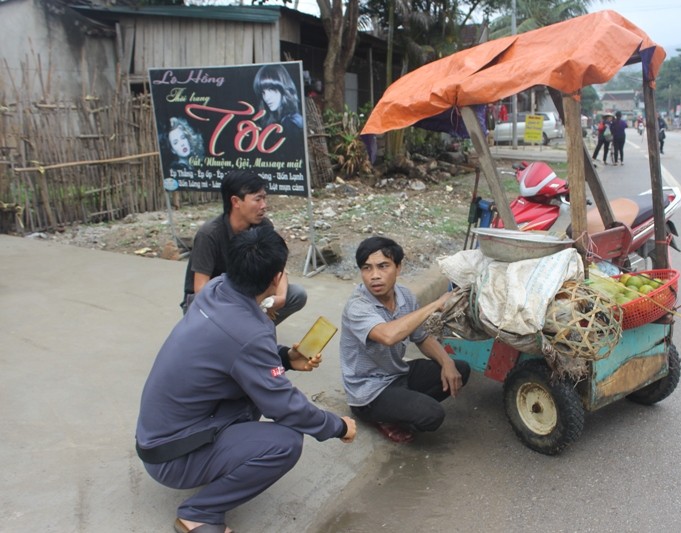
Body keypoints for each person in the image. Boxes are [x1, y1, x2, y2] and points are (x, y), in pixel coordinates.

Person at [136, 225, 357, 533]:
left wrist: (284, 359)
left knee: (254, 395)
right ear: (276, 278)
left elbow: (233, 355)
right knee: (286, 442)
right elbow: (286, 407)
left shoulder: (216, 289)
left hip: (156, 434)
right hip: (169, 456)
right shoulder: (248, 331)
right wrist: (337, 426)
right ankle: (198, 513)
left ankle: (223, 460)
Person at [339, 236, 471, 443]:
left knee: (459, 369)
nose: (374, 276)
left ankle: (401, 405)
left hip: (396, 374)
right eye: (367, 268)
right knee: (432, 415)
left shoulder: (405, 296)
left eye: (383, 266)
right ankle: (381, 416)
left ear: (398, 268)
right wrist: (435, 305)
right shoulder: (357, 306)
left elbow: (421, 337)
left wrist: (446, 362)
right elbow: (388, 336)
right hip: (369, 391)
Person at [181, 169, 307, 323]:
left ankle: (251, 330)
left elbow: (277, 268)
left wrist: (279, 298)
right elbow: (201, 290)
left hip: (247, 294)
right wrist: (240, 307)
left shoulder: (263, 226)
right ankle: (240, 331)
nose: (264, 206)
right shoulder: (209, 234)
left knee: (297, 295)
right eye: (257, 199)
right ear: (235, 202)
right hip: (213, 301)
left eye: (264, 199)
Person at [252, 64, 305, 161]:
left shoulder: (291, 123)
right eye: (263, 92)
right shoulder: (280, 119)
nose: (266, 97)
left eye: (271, 89)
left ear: (283, 88)